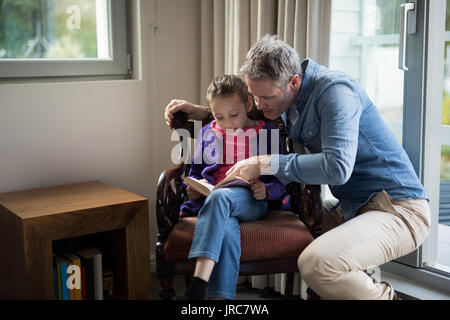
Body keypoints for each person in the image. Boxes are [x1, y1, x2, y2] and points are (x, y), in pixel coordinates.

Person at [165, 35, 431, 300]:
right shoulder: (284, 99)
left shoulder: (336, 91)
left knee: (316, 263)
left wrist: (264, 163)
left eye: (266, 97)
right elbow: (244, 114)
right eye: (255, 97)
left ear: (293, 82)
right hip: (350, 208)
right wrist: (202, 113)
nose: (259, 105)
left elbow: (337, 168)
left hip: (397, 208)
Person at [176, 74, 288, 300]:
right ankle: (221, 298)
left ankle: (198, 284)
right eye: (219, 116)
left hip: (251, 200)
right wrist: (196, 189)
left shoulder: (267, 133)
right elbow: (196, 173)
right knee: (226, 224)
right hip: (216, 198)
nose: (227, 123)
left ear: (247, 104)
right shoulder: (208, 132)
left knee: (221, 199)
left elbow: (283, 178)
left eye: (233, 115)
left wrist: (266, 191)